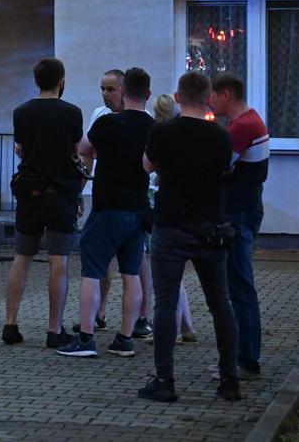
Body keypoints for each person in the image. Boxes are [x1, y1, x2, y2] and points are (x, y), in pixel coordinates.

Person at [138, 71, 240, 403]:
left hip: (171, 225)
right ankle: (229, 379)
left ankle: (165, 380)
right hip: (212, 227)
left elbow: (146, 166)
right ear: (209, 98)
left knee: (165, 304)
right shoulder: (222, 136)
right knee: (220, 304)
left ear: (179, 97)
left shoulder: (163, 131)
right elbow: (225, 171)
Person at [58, 67, 153, 358]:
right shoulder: (154, 127)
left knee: (92, 271)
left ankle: (86, 337)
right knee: (131, 273)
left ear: (123, 92)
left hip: (108, 206)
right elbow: (152, 164)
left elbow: (83, 149)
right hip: (138, 209)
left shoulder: (106, 123)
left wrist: (102, 152)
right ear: (147, 94)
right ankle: (125, 338)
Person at [2, 57, 83, 349]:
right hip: (60, 194)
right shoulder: (72, 113)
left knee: (22, 257)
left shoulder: (21, 112)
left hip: (29, 193)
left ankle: (10, 324)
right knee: (58, 259)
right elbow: (75, 152)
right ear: (61, 81)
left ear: (37, 81)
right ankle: (53, 329)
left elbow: (21, 148)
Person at [210, 73, 269, 381]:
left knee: (240, 287)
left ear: (227, 94)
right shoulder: (252, 121)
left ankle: (246, 360)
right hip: (248, 210)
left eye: (213, 95)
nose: (209, 101)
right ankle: (244, 356)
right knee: (239, 286)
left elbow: (218, 168)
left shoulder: (241, 128)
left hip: (238, 215)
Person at [76, 68, 125, 333]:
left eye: (111, 89)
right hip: (103, 196)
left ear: (123, 91)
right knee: (99, 258)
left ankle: (138, 321)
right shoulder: (99, 115)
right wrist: (80, 190)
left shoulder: (140, 118)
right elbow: (87, 154)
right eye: (102, 89)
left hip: (128, 201)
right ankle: (98, 312)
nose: (106, 94)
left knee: (135, 264)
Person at [147, 94, 195, 345]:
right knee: (176, 277)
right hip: (189, 211)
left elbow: (149, 165)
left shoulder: (162, 134)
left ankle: (173, 330)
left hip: (167, 211)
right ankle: (186, 327)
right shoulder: (186, 131)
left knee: (167, 278)